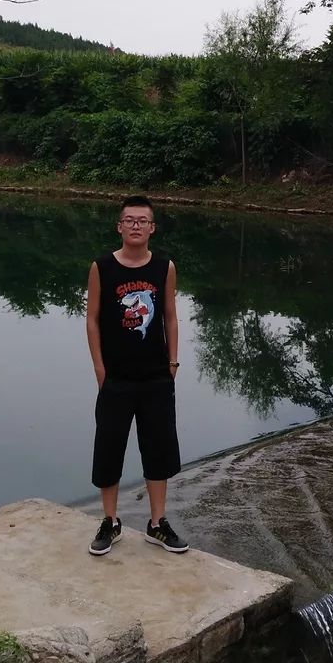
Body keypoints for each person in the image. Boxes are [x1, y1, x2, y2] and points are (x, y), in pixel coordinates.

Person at [85, 195, 189, 557]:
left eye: (142, 221)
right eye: (129, 220)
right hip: (115, 377)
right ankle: (110, 521)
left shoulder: (164, 267)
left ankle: (157, 523)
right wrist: (100, 369)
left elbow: (170, 316)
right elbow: (92, 319)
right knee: (109, 448)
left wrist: (172, 363)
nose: (135, 226)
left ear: (152, 228)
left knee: (158, 449)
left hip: (156, 376)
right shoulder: (102, 267)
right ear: (119, 226)